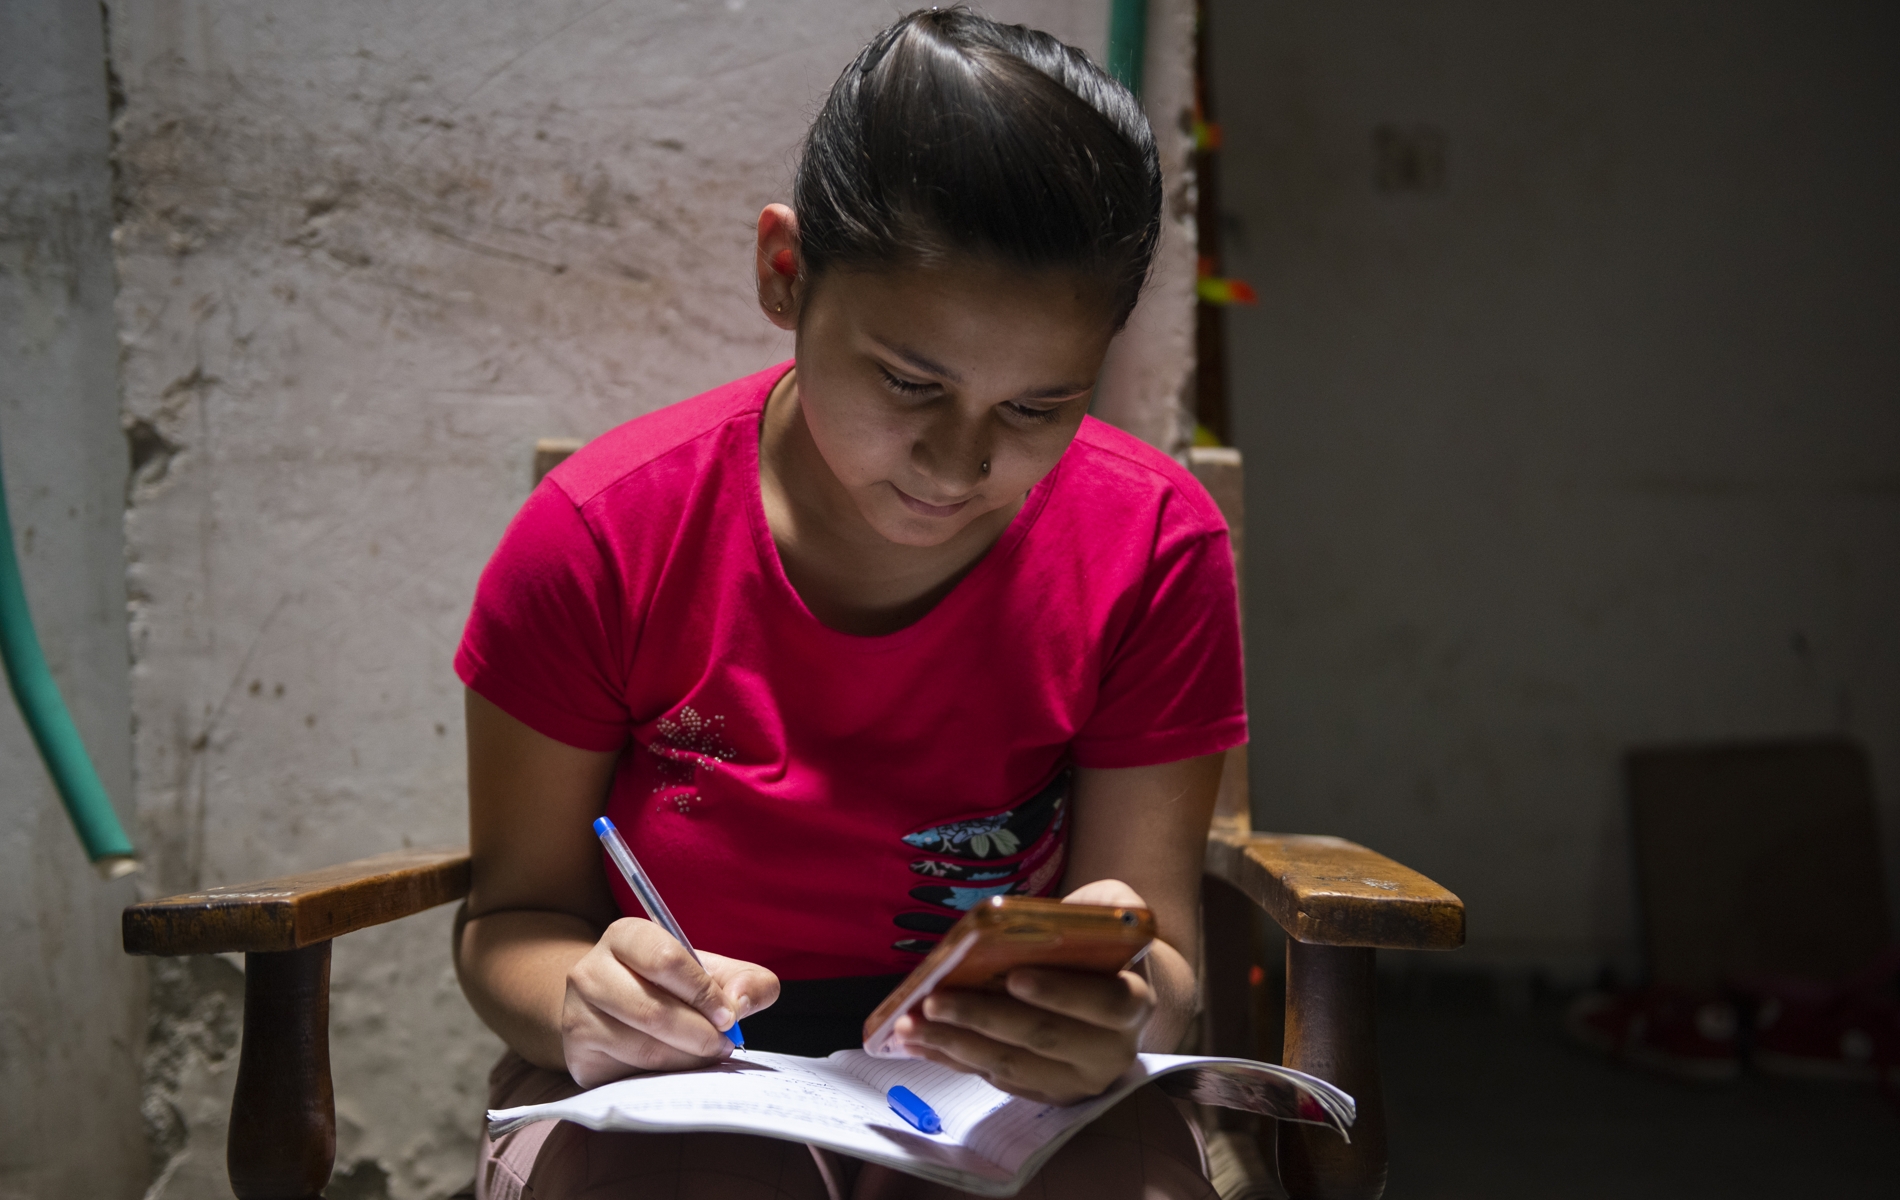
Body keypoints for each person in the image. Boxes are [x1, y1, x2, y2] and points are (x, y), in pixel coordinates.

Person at [453, 9, 1246, 1198]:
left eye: (1036, 408)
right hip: (686, 1077)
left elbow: (1164, 952)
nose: (957, 465)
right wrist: (582, 1000)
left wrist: (1123, 1005)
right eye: (908, 383)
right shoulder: (602, 537)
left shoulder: (1151, 546)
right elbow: (510, 921)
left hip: (998, 1089)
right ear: (785, 273)